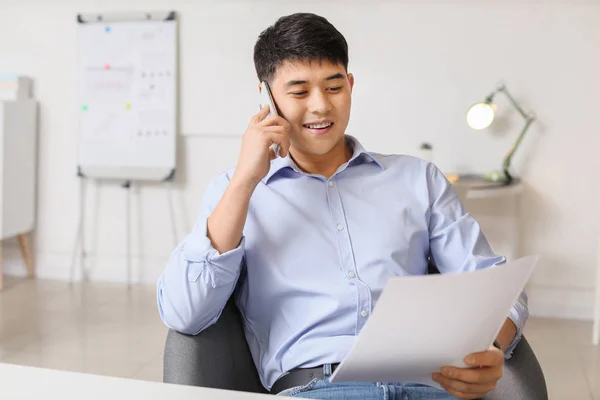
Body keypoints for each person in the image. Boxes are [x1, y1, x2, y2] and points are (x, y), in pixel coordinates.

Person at [157, 12, 528, 400]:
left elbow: (495, 285)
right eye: (299, 93)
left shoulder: (419, 180)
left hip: (427, 387)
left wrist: (491, 348)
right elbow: (186, 312)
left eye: (333, 88)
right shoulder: (237, 191)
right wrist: (246, 180)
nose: (320, 107)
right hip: (315, 389)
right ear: (267, 98)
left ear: (350, 85)